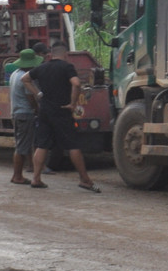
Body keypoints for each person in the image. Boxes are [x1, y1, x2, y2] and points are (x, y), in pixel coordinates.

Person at [23, 41, 100, 192]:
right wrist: (72, 103)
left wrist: (38, 94)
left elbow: (25, 79)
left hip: (45, 110)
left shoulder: (42, 67)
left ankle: (36, 178)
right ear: (66, 54)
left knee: (42, 144)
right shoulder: (67, 67)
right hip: (62, 110)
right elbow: (76, 84)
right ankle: (85, 179)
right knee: (72, 145)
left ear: (51, 54)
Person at [7, 48, 43, 184]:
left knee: (22, 144)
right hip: (25, 113)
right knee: (22, 147)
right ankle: (17, 176)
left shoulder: (14, 74)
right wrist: (37, 109)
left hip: (16, 112)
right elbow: (31, 98)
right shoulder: (25, 78)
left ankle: (20, 174)